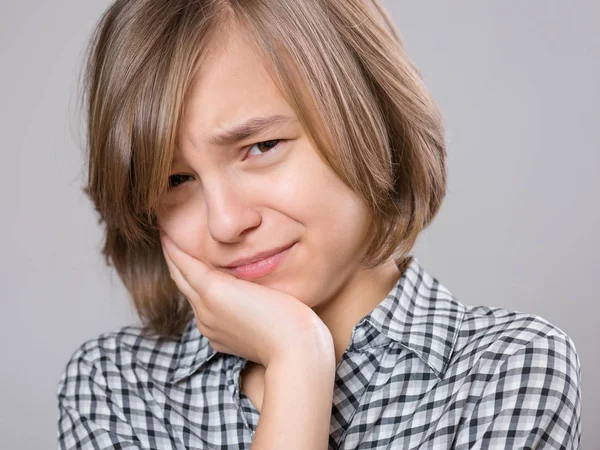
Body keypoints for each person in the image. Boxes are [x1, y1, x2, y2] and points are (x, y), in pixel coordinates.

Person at [56, 0, 581, 448]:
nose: (225, 222)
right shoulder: (117, 387)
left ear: (369, 118)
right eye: (176, 180)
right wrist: (297, 359)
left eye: (260, 147)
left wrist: (296, 361)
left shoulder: (505, 371)